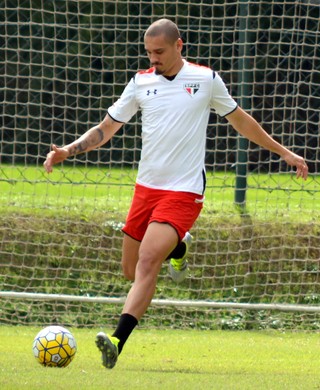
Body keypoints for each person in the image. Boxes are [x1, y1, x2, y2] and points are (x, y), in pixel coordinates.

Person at [43, 18, 308, 369]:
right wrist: (67, 150)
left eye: (160, 52)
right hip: (146, 188)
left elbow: (241, 120)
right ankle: (180, 246)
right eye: (149, 52)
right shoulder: (140, 83)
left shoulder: (205, 79)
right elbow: (106, 129)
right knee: (130, 269)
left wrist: (285, 152)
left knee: (149, 261)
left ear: (178, 45)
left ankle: (117, 342)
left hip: (184, 191)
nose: (154, 59)